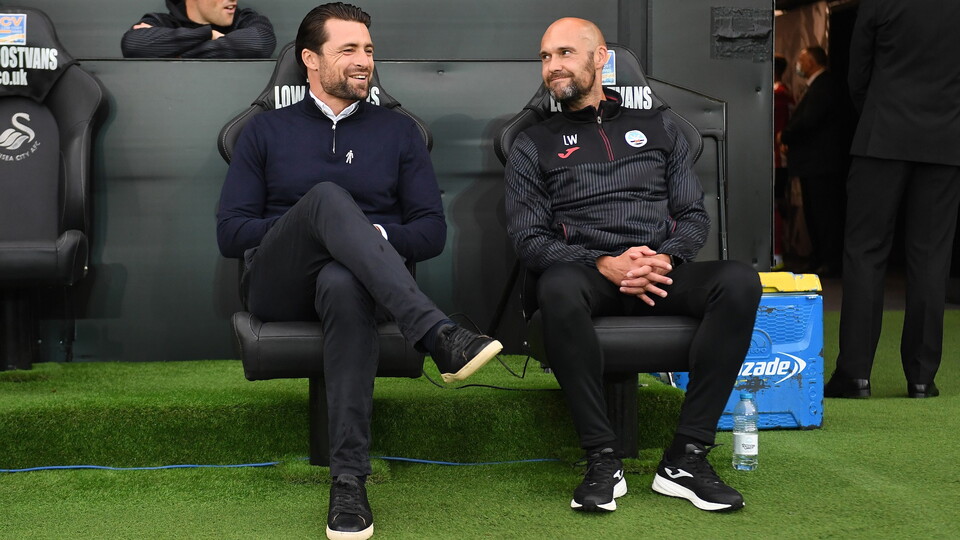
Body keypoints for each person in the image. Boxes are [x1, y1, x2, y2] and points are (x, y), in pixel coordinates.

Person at [216, 4, 502, 539]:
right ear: (309, 59)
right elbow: (231, 233)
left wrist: (370, 239)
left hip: (361, 288)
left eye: (368, 49)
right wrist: (311, 226)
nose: (364, 60)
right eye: (348, 49)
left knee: (343, 280)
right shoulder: (264, 132)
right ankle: (438, 333)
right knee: (326, 199)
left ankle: (349, 483)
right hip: (279, 285)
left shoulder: (399, 132)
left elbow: (430, 232)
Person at [504, 17, 761, 514]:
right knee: (555, 287)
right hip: (587, 275)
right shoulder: (532, 144)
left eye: (564, 54)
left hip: (659, 270)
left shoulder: (659, 127)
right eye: (545, 57)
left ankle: (686, 459)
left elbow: (691, 218)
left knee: (738, 280)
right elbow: (528, 240)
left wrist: (664, 257)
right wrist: (603, 264)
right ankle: (602, 458)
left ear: (600, 58)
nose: (552, 67)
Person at [826, 0, 960, 400]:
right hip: (945, 142)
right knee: (932, 257)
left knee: (865, 253)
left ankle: (855, 375)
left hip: (881, 136)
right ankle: (921, 377)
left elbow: (857, 75)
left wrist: (877, 115)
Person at [779, 46, 849, 277]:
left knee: (824, 215)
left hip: (822, 166)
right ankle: (819, 258)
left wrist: (785, 135)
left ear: (811, 62)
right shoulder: (816, 87)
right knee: (814, 214)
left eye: (801, 59)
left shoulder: (824, 86)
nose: (798, 64)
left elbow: (809, 120)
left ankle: (829, 261)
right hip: (813, 166)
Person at [121, 0, 276, 58]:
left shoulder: (244, 19)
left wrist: (177, 53)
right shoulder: (163, 21)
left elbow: (261, 42)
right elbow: (133, 44)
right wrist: (208, 33)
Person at [772, 54, 795, 270]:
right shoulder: (787, 93)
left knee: (773, 206)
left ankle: (777, 253)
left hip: (774, 160)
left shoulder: (777, 95)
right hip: (780, 160)